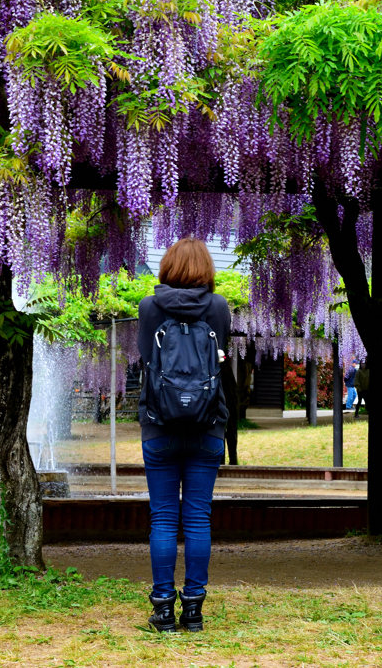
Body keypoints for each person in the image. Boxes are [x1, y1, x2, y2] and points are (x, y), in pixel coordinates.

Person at [137, 237, 231, 632]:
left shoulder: (148, 307)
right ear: (206, 269)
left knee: (162, 518)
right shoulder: (219, 307)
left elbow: (145, 359)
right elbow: (220, 358)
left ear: (167, 268)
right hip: (208, 424)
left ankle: (163, 611)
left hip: (159, 424)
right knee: (197, 519)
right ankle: (193, 609)